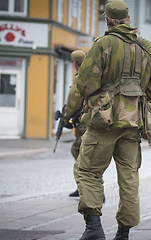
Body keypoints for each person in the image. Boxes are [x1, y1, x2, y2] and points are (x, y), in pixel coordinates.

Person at [67, 1, 151, 239]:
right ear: (128, 18)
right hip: (133, 123)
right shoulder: (146, 46)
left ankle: (94, 228)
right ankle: (124, 232)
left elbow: (85, 84)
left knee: (87, 171)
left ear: (107, 20)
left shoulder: (103, 44)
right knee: (129, 177)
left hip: (103, 121)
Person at [64, 50, 86, 198]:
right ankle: (83, 187)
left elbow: (73, 101)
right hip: (91, 119)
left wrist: (66, 119)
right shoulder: (93, 73)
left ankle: (87, 188)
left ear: (74, 64)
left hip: (84, 122)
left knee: (79, 152)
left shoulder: (80, 77)